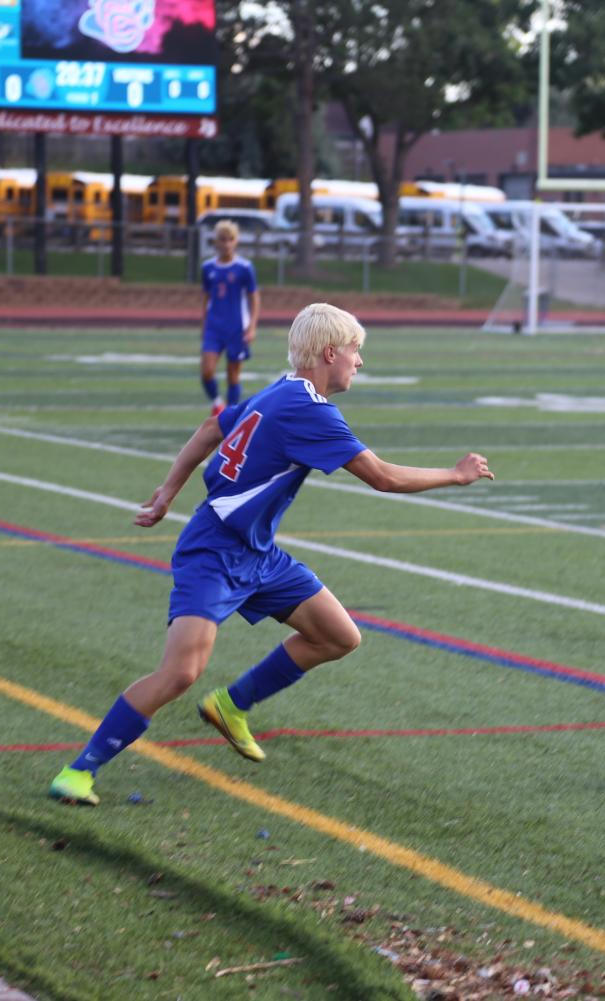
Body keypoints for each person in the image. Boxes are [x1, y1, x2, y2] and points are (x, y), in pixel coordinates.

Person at [49, 303, 495, 805]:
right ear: (330, 353)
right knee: (179, 672)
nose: (359, 362)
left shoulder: (283, 389)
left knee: (338, 636)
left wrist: (167, 491)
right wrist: (455, 475)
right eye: (355, 351)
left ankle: (231, 704)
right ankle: (80, 770)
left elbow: (209, 429)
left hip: (256, 554)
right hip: (215, 551)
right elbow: (384, 478)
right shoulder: (310, 410)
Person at [199, 220, 261, 416]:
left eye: (230, 239)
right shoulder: (208, 267)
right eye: (222, 239)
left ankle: (230, 412)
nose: (226, 244)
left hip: (236, 327)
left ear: (236, 241)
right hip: (214, 327)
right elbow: (206, 297)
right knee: (207, 370)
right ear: (215, 242)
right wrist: (204, 323)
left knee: (233, 374)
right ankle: (218, 403)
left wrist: (251, 327)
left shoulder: (244, 268)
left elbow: (254, 298)